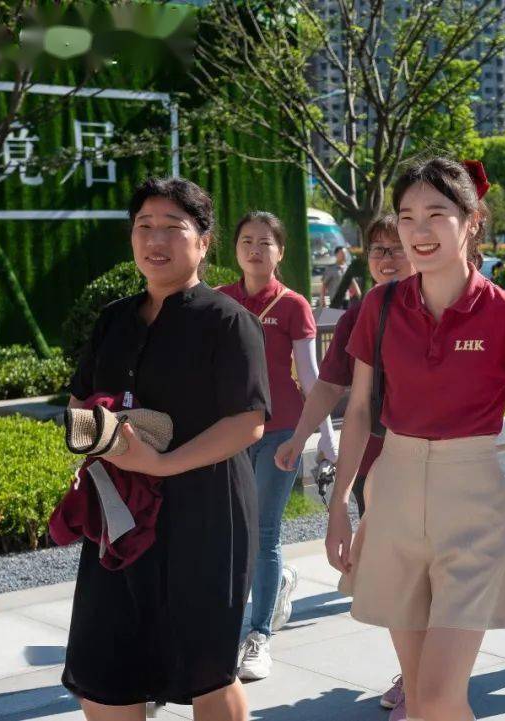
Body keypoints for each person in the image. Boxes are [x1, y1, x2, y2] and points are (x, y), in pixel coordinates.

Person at [326, 156, 505, 721]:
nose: (418, 231)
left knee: (438, 696)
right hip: (390, 491)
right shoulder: (380, 305)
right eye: (407, 215)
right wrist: (341, 504)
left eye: (436, 214)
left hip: (471, 501)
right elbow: (360, 410)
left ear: (472, 221)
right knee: (418, 699)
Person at [63, 177, 268, 721]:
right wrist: (98, 435)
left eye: (173, 228)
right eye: (143, 226)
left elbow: (247, 422)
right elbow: (80, 398)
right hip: (121, 512)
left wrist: (162, 462)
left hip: (205, 512)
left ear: (204, 242)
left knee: (205, 666)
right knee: (107, 666)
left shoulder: (228, 322)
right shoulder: (112, 320)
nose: (155, 239)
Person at [273, 213, 415, 718]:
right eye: (378, 249)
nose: (387, 258)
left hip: (437, 467)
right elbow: (332, 386)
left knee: (433, 581)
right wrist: (299, 437)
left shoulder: (451, 305)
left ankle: (426, 681)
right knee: (394, 577)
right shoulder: (364, 312)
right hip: (375, 460)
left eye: (397, 247)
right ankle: (414, 677)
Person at [217, 211, 337, 680]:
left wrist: (325, 441)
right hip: (229, 433)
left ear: (280, 251)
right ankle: (275, 585)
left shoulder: (292, 305)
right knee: (233, 533)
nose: (254, 249)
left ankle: (258, 635)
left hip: (282, 433)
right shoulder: (220, 300)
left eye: (265, 242)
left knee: (263, 533)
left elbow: (311, 378)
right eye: (246, 241)